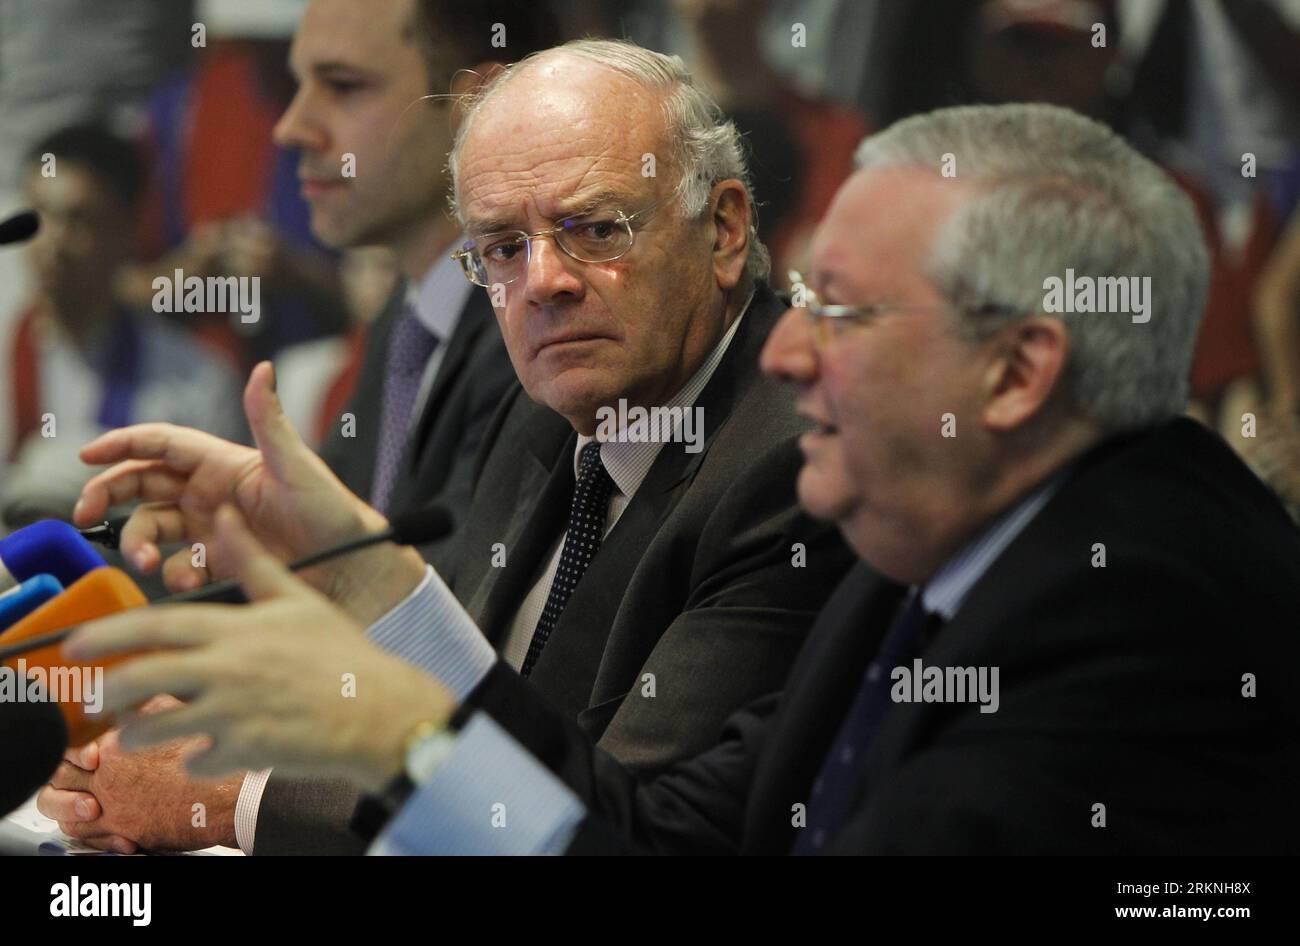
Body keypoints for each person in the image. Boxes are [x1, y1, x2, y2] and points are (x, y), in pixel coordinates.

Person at [64, 102, 1300, 855]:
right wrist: (370, 592)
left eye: (845, 312)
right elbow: (666, 837)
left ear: (1019, 372)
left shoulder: (1133, 604)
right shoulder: (939, 555)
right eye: (499, 247)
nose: (792, 346)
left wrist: (385, 747)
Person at [46, 38, 854, 854]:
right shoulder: (543, 409)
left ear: (722, 229)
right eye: (503, 248)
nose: (543, 282)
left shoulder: (799, 464)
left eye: (597, 229)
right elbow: (451, 722)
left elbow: (599, 821)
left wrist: (231, 795)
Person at [33, 0, 552, 854]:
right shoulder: (408, 320)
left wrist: (214, 782)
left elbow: (461, 688)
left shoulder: (539, 343)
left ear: (474, 106)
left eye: (341, 86)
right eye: (295, 82)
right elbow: (324, 587)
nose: (288, 129)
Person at [2, 123, 245, 529]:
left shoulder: (197, 380)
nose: (52, 242)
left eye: (78, 220)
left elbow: (220, 525)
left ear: (128, 231)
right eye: (38, 215)